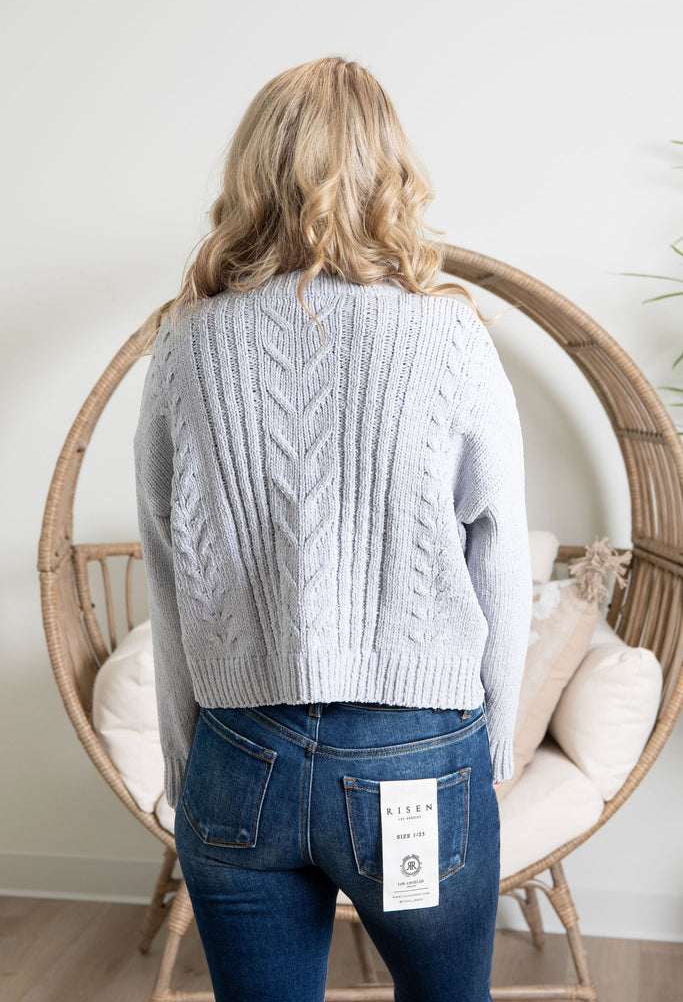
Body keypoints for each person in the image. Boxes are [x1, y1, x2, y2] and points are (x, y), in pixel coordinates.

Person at [134, 55, 532, 1002]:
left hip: (239, 750)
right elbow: (499, 553)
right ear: (390, 171)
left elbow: (167, 562)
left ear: (250, 172)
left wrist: (189, 755)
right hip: (418, 752)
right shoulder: (449, 335)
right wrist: (493, 742)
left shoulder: (185, 340)